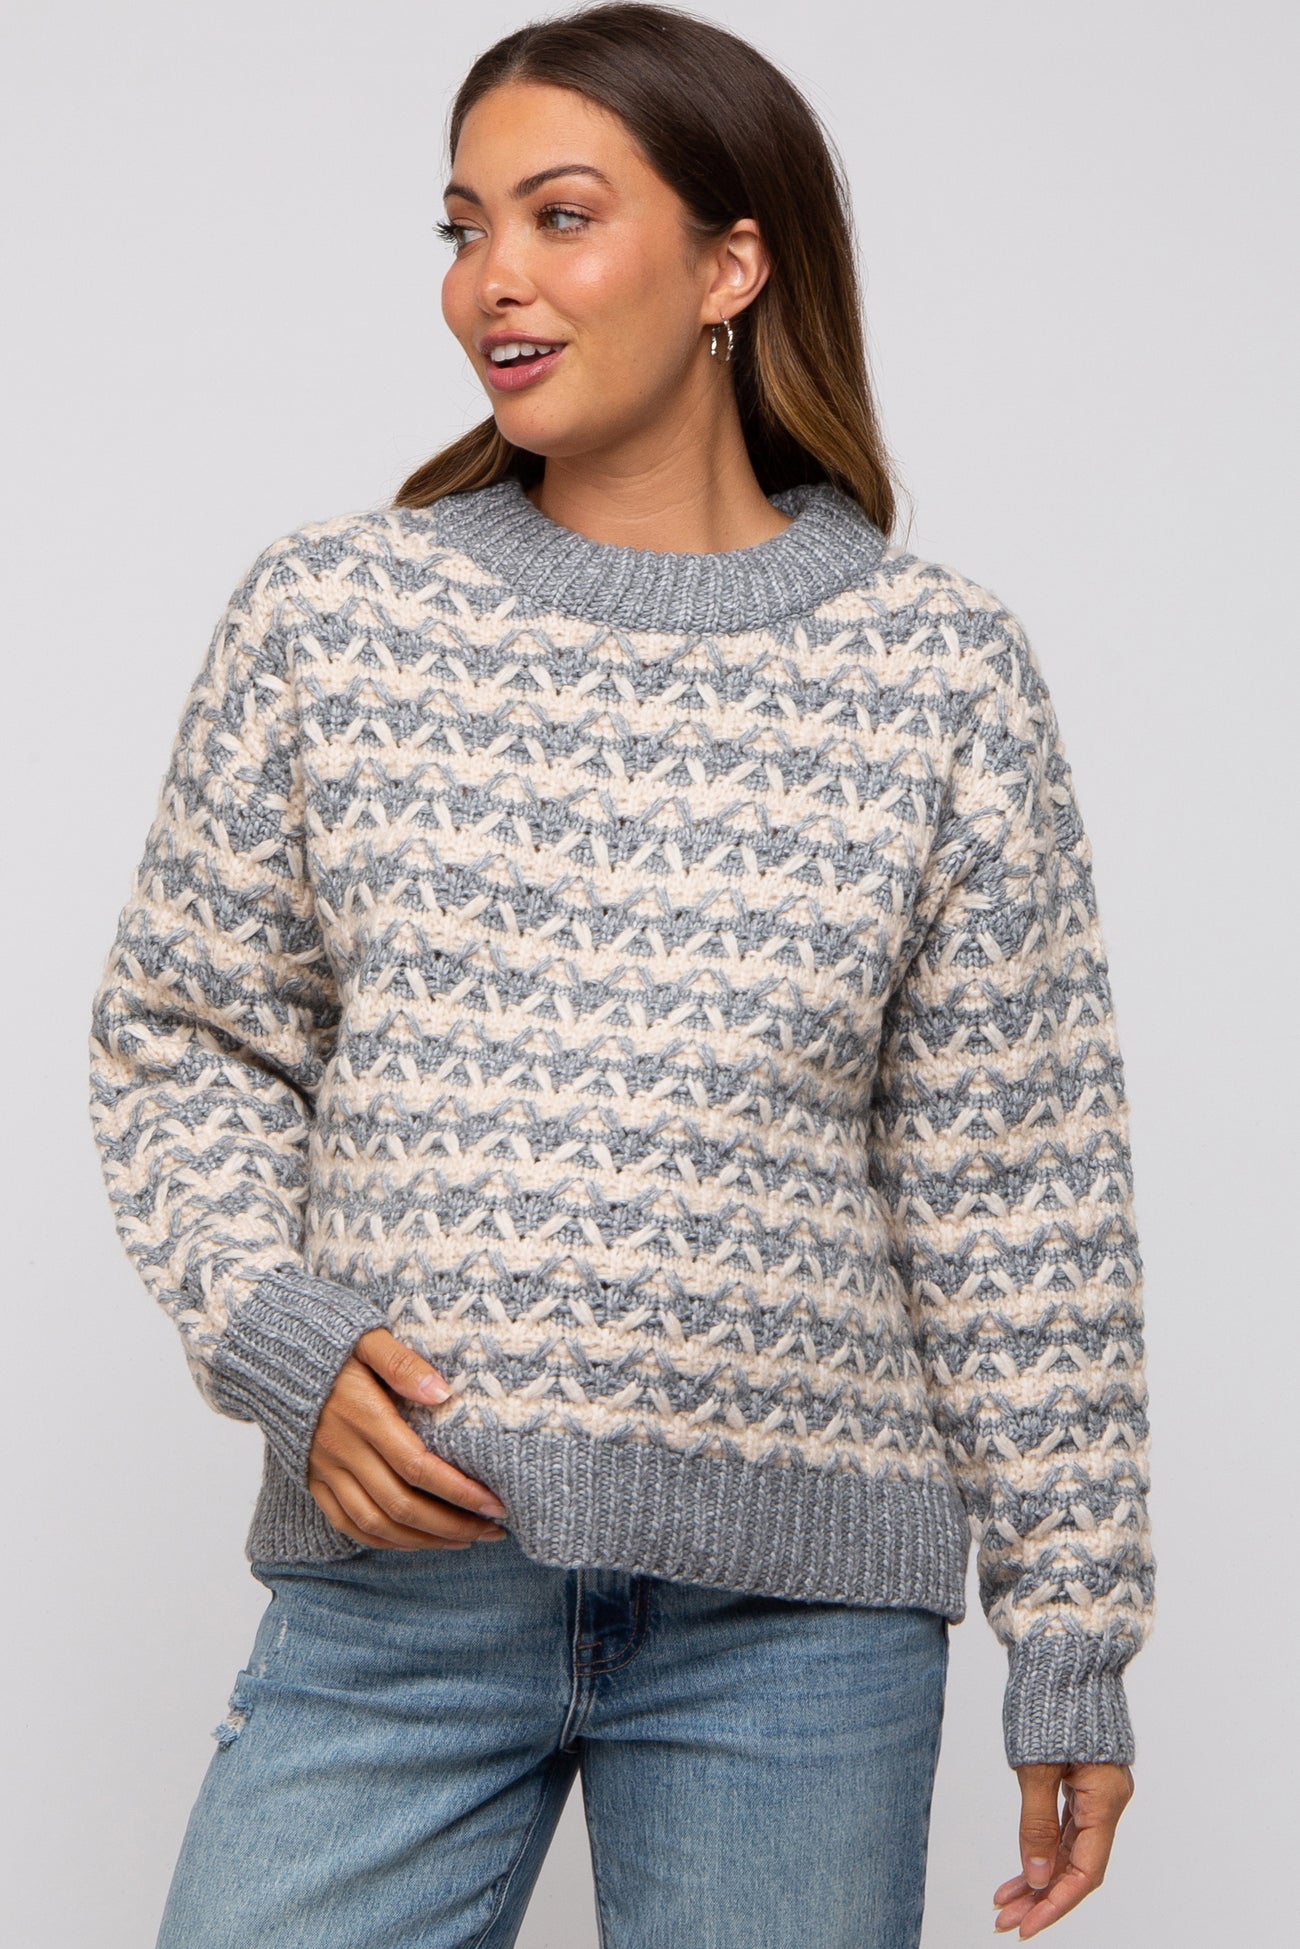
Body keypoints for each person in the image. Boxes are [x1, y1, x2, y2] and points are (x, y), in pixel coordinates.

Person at [86, 6, 1154, 1945]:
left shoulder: (939, 672)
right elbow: (186, 1037)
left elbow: (1019, 1190)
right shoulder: (335, 612)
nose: (489, 278)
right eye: (462, 227)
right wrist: (276, 1329)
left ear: (732, 264)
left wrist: (1071, 1633)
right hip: (402, 1592)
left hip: (793, 1633)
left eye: (559, 217)